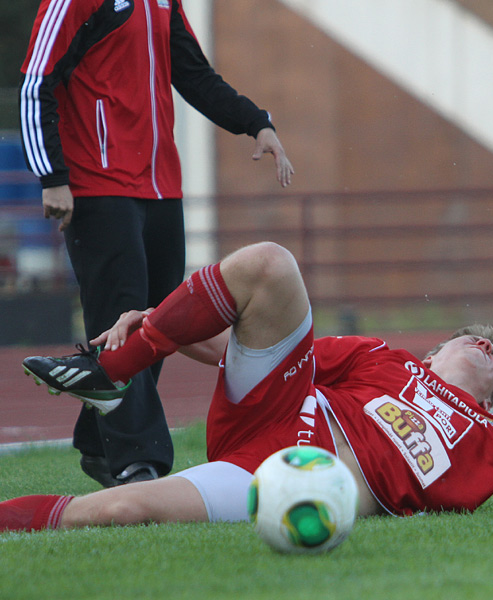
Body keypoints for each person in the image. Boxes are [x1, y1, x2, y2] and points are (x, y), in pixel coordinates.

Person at [2, 242, 493, 532]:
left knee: (119, 510)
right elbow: (257, 347)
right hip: (278, 408)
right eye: (473, 338)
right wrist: (158, 327)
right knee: (271, 265)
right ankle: (110, 378)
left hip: (298, 477)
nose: (488, 346)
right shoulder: (384, 358)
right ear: (440, 348)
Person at [18, 0, 294, 487]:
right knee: (119, 310)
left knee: (159, 317)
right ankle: (137, 462)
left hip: (160, 185)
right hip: (96, 183)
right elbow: (35, 84)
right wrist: (53, 176)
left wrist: (256, 122)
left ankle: (97, 442)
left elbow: (193, 74)